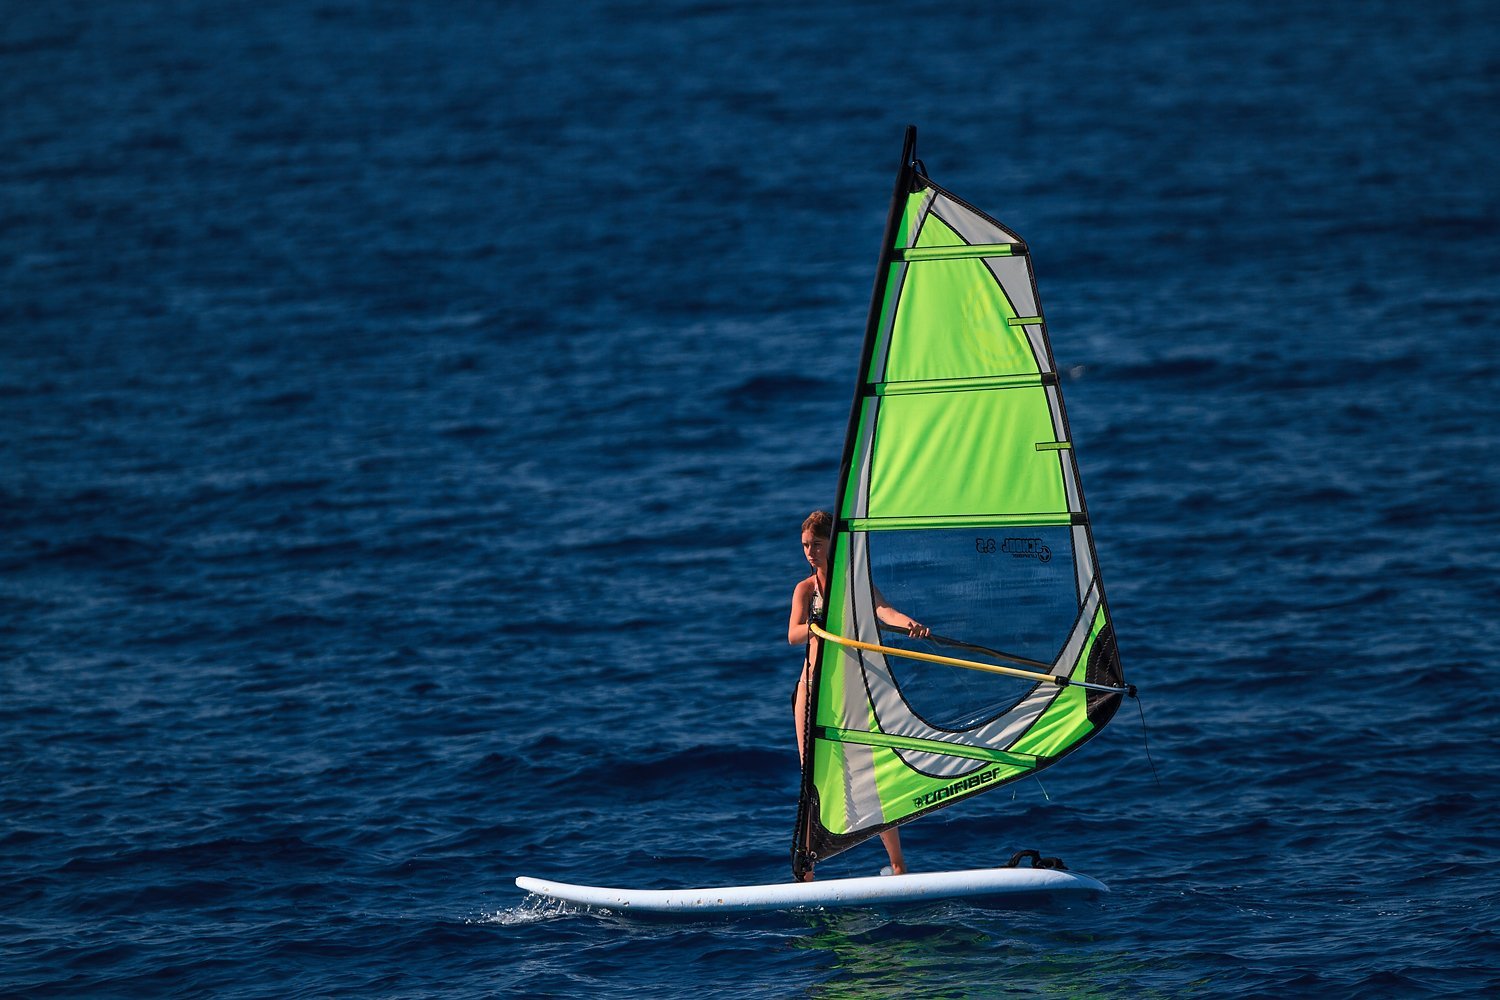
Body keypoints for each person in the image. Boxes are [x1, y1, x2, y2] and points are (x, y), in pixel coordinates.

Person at [787, 510, 929, 880]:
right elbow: (793, 634)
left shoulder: (854, 584)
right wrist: (817, 627)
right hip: (813, 692)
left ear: (832, 543)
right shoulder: (806, 590)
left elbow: (883, 611)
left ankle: (898, 866)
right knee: (812, 778)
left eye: (816, 545)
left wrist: (910, 624)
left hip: (850, 693)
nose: (809, 552)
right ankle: (807, 869)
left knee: (871, 773)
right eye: (805, 546)